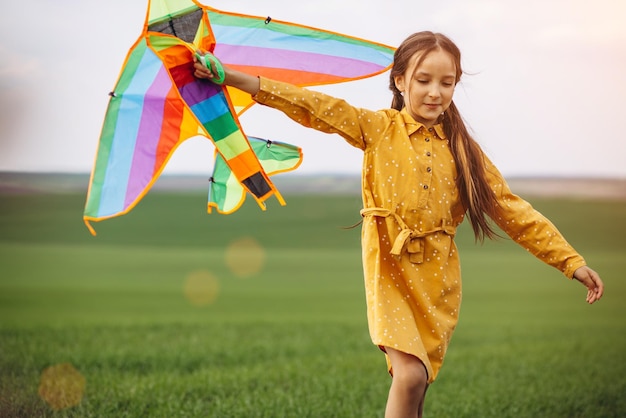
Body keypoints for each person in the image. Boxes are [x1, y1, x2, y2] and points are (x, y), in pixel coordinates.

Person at [194, 31, 604, 418]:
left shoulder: (465, 151)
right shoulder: (377, 128)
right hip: (389, 266)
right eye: (424, 80)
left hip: (438, 279)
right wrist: (229, 76)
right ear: (400, 80)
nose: (435, 92)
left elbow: (512, 210)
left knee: (418, 383)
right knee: (409, 376)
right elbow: (310, 105)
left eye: (447, 82)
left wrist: (570, 261)